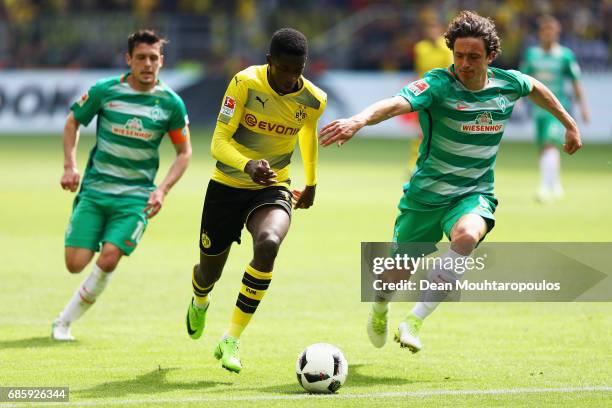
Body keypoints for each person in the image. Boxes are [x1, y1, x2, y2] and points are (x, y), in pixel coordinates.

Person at [319, 11, 581, 353]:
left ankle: (414, 321)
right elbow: (397, 103)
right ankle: (381, 306)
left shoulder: (508, 83)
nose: (465, 64)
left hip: (473, 193)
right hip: (426, 197)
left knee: (468, 235)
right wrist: (358, 120)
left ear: (490, 56)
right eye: (459, 56)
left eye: (473, 57)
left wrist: (569, 123)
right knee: (393, 278)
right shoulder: (439, 84)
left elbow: (536, 88)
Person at [185, 28, 327, 373]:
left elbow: (307, 134)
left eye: (299, 69)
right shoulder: (245, 83)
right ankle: (200, 299)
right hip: (227, 185)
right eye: (285, 70)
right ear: (269, 62)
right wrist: (247, 164)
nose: (292, 78)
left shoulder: (313, 98)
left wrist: (311, 182)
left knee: (268, 244)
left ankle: (231, 338)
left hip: (273, 186)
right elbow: (218, 141)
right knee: (208, 272)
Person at [52, 29, 192, 341]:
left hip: (136, 198)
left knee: (110, 256)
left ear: (161, 61)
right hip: (96, 190)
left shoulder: (170, 103)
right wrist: (69, 165)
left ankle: (63, 322)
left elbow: (184, 153)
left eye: (153, 58)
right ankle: (88, 230)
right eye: (141, 57)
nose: (147, 64)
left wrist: (162, 189)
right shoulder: (105, 91)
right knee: (75, 264)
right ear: (128, 59)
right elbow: (72, 121)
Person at [521, 15, 589, 202]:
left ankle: (545, 187)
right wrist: (518, 101)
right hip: (538, 109)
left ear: (557, 33)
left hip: (558, 109)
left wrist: (583, 106)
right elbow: (523, 79)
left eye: (552, 31)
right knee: (544, 146)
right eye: (545, 31)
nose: (549, 34)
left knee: (550, 143)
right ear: (540, 33)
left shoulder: (565, 55)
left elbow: (575, 81)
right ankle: (555, 183)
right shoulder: (532, 54)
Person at [406, 16, 454, 175]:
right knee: (420, 130)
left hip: (442, 95)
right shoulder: (421, 48)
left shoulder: (447, 48)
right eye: (429, 28)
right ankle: (414, 165)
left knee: (443, 131)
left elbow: (450, 72)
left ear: (441, 30)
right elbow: (418, 72)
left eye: (435, 28)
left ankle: (442, 165)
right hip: (423, 94)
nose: (432, 31)